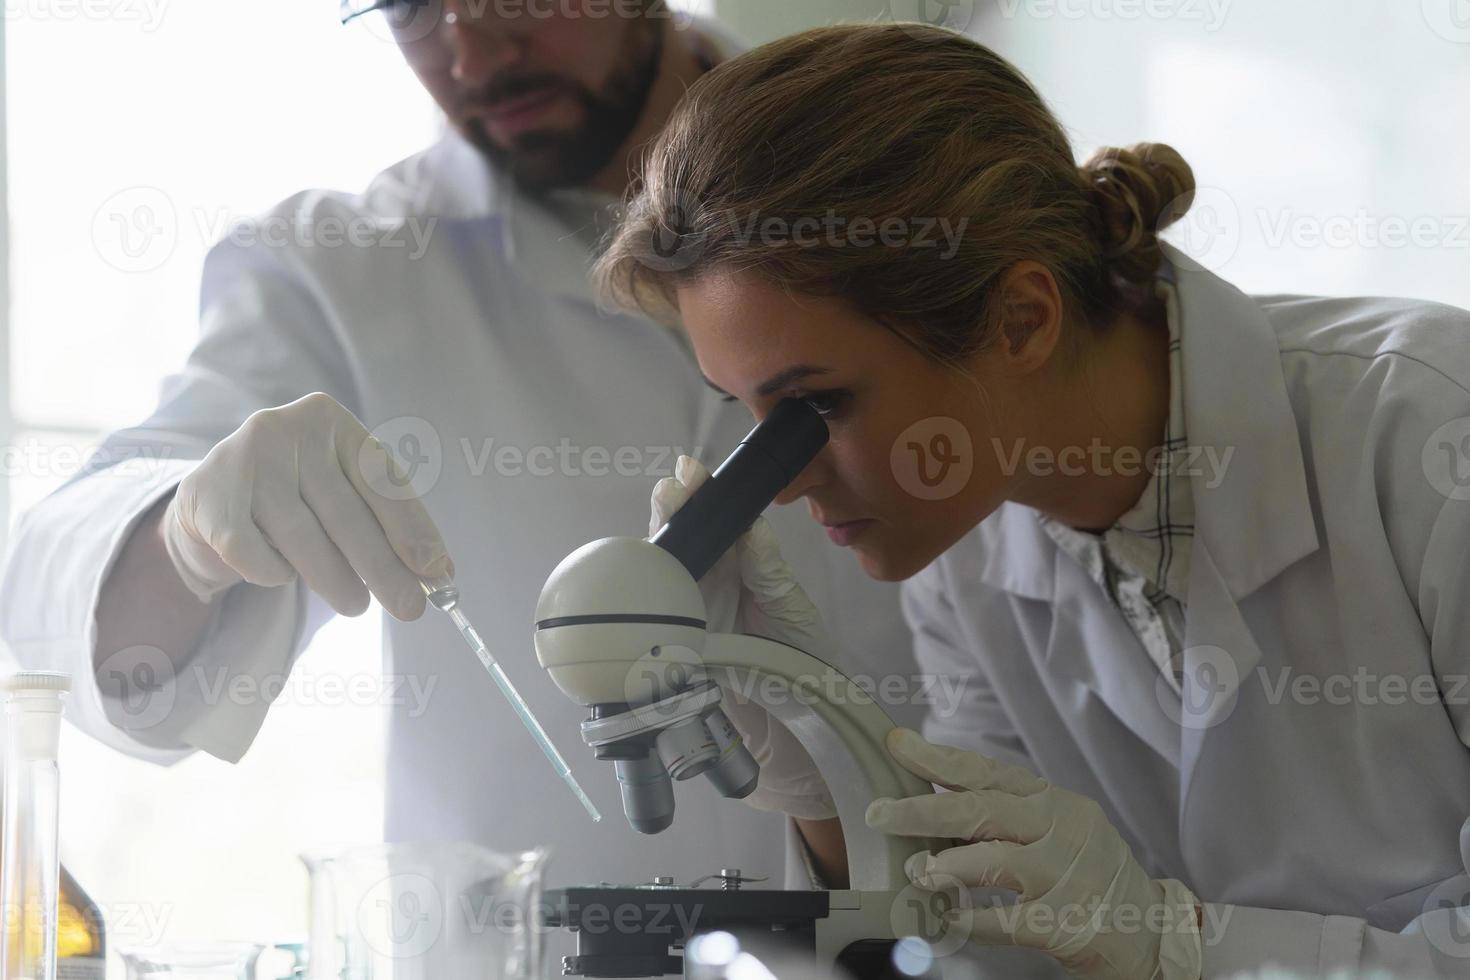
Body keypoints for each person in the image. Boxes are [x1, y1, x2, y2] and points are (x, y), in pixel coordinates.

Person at [0, 3, 921, 910]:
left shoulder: (911, 189)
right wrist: (185, 537)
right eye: (408, 8)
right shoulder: (348, 267)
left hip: (961, 940)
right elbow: (57, 597)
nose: (472, 54)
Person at [597, 22, 1470, 980]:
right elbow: (984, 940)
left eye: (816, 407)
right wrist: (820, 761)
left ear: (1022, 320)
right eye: (754, 417)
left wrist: (1177, 945)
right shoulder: (968, 553)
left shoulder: (1428, 438)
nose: (789, 478)